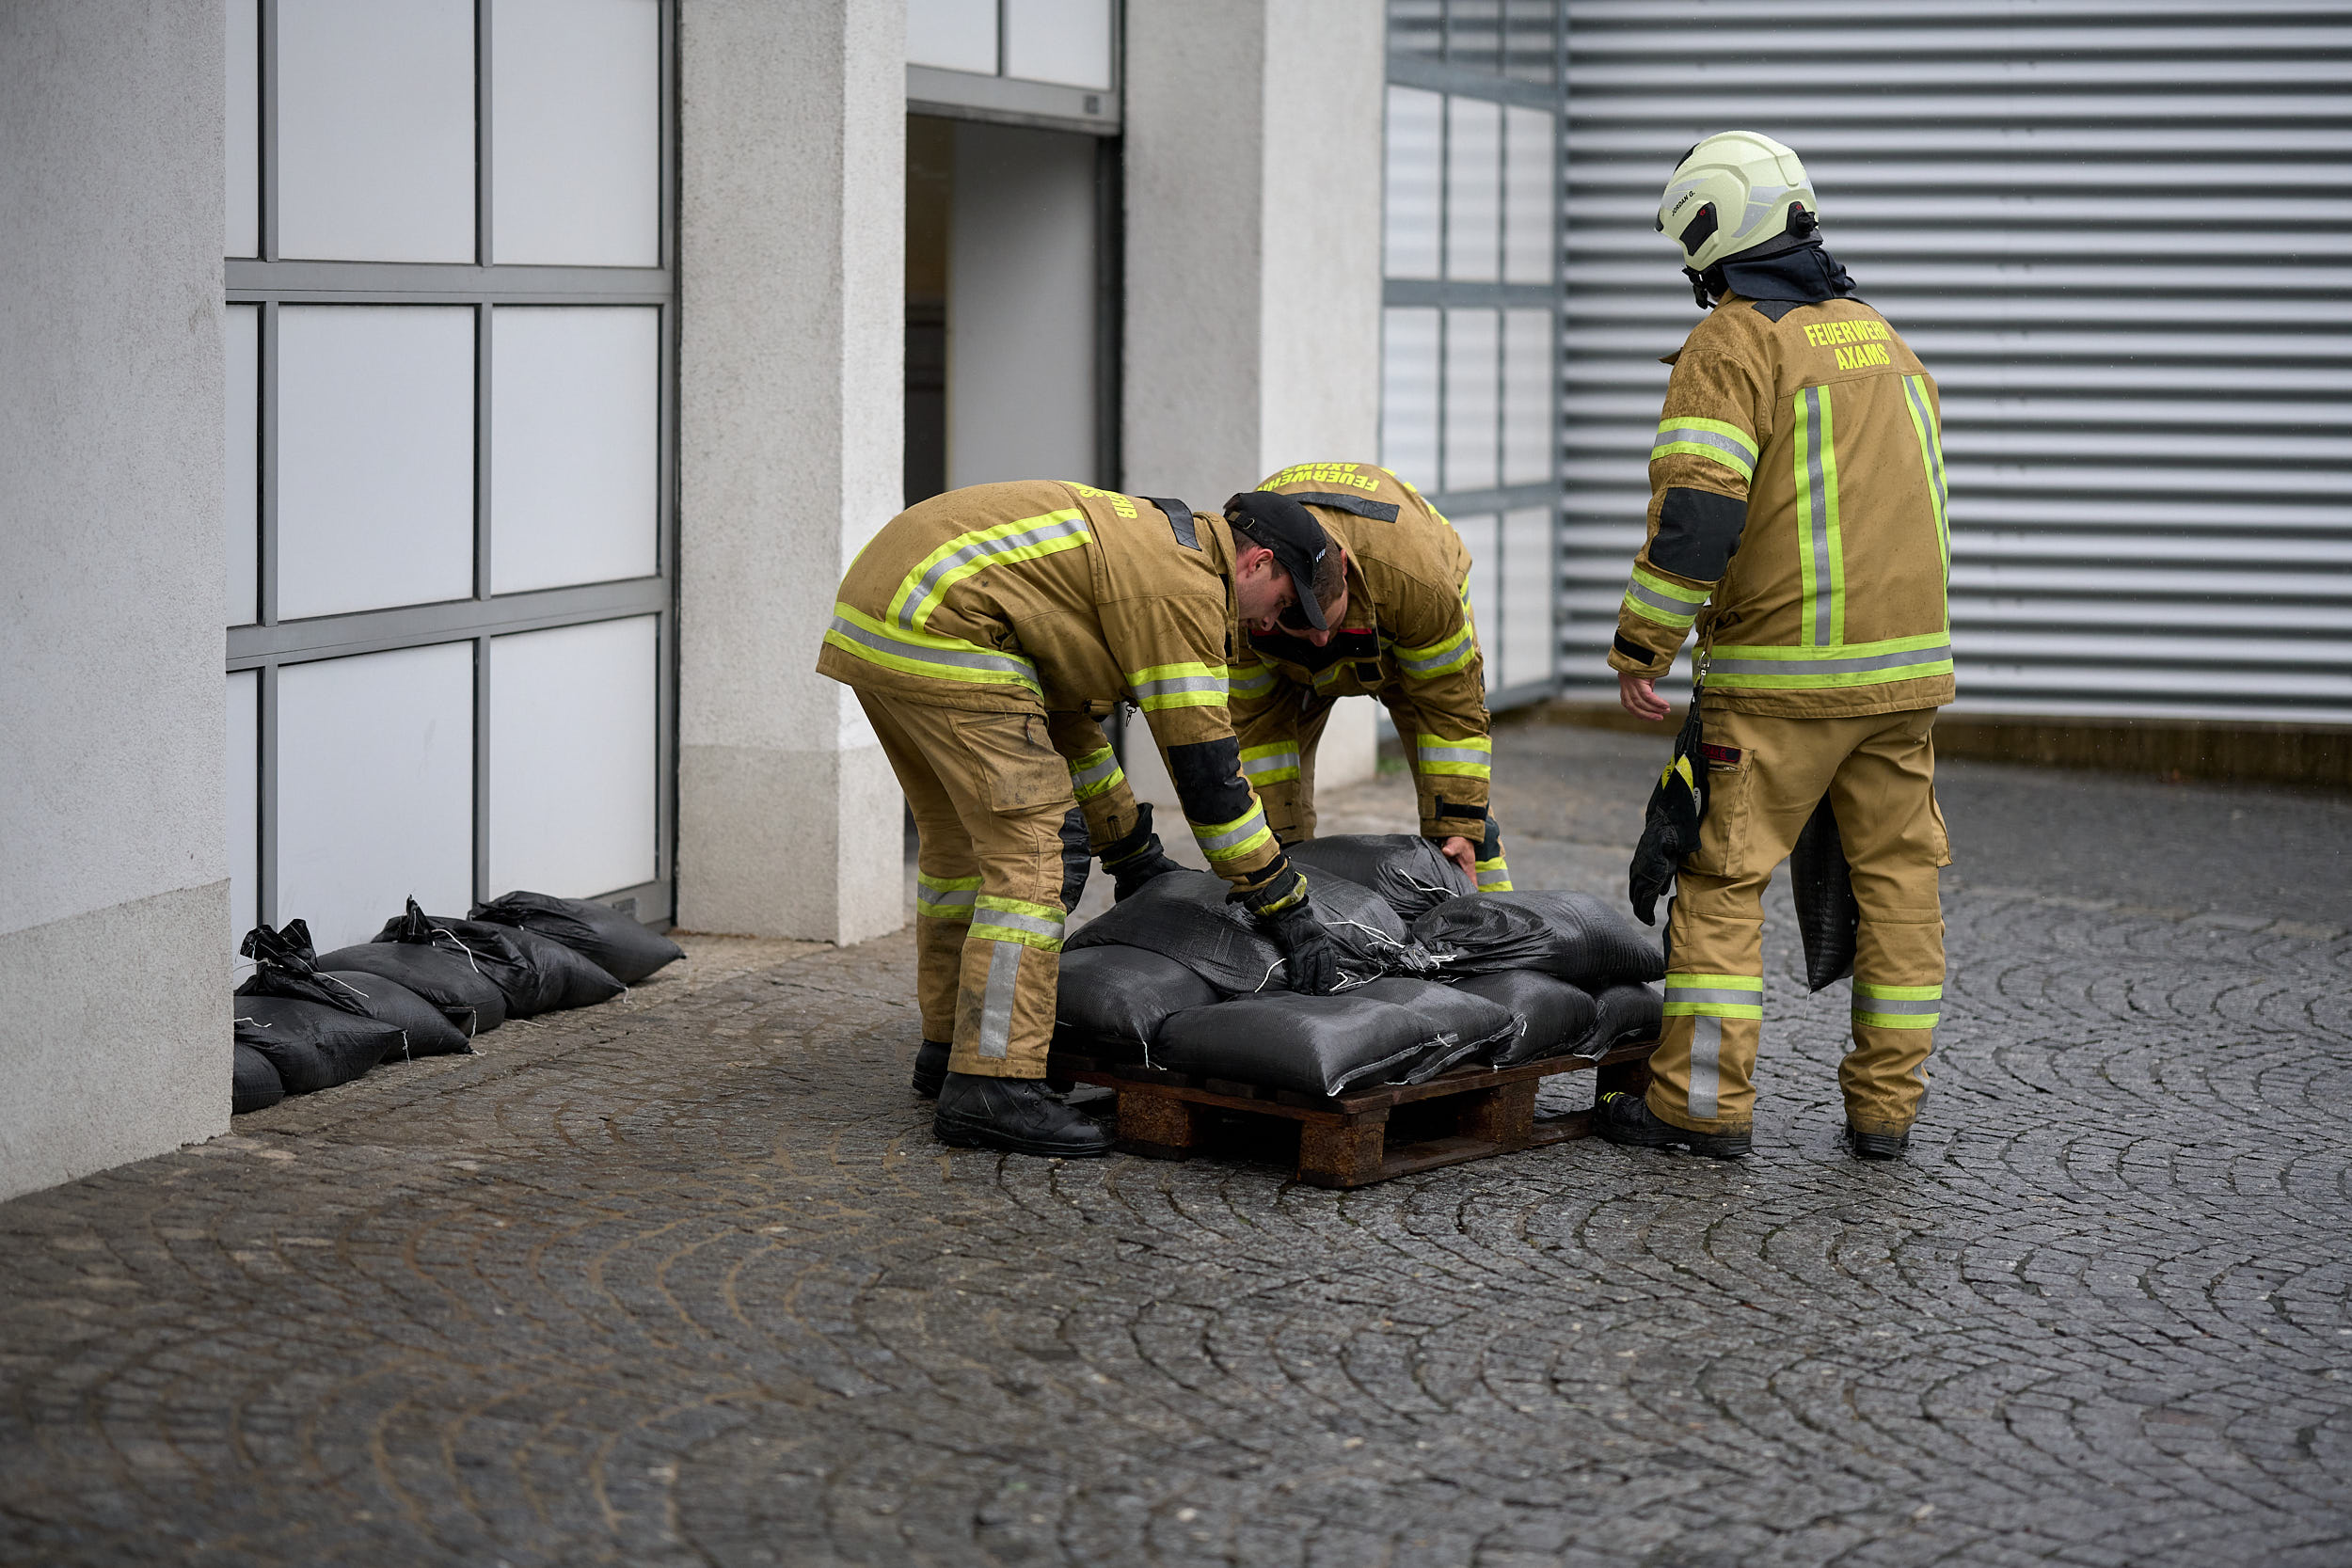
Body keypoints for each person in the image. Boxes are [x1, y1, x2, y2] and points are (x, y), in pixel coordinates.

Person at [1598, 131, 1953, 1163]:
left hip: (1781, 682)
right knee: (1899, 885)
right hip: (1903, 678)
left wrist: (1642, 642)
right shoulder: (1882, 337)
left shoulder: (1736, 341)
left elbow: (1697, 520)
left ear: (1714, 233)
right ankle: (1885, 1113)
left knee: (1719, 879)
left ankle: (1699, 1107)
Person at [817, 481, 1349, 1157]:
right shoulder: (1180, 591)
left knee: (961, 855)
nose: (1272, 627)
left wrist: (1131, 850)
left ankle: (953, 1043)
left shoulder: (1154, 549)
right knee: (1034, 858)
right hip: (944, 627)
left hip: (884, 617)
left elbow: (1065, 724)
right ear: (1259, 563)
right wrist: (1284, 901)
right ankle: (992, 1088)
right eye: (1282, 606)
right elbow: (1211, 779)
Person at [1226, 461, 1510, 892]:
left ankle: (1498, 920)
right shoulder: (1245, 599)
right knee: (1272, 821)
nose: (1321, 642)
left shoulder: (1418, 581)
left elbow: (1451, 709)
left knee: (1459, 811)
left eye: (1330, 625)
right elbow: (1256, 729)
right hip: (1281, 649)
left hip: (1406, 619)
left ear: (1342, 566)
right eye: (1304, 629)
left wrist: (1458, 825)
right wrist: (1277, 857)